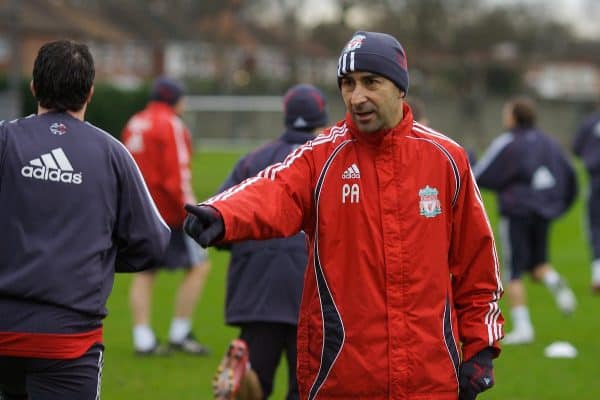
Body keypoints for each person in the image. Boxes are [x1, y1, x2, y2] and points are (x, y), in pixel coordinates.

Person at [185, 31, 503, 400]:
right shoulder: (321, 158)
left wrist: (481, 350)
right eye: (347, 84)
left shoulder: (447, 159)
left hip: (429, 382)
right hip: (341, 379)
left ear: (400, 87)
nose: (357, 97)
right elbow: (275, 189)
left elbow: (478, 265)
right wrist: (223, 213)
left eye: (371, 82)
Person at [0, 40, 170, 399]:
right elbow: (154, 242)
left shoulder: (4, 139)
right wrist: (97, 259)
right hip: (68, 340)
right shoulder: (112, 154)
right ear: (90, 92)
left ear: (34, 87)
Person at [212, 84, 329, 400]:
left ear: (286, 115)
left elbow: (218, 220)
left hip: (257, 293)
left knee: (252, 387)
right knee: (307, 389)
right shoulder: (333, 163)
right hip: (313, 296)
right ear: (323, 116)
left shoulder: (253, 161)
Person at [474, 96, 577, 345]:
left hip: (517, 212)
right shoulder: (549, 142)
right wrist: (558, 206)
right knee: (539, 263)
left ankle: (523, 328)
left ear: (513, 117)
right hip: (543, 212)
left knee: (514, 272)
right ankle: (554, 281)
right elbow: (570, 174)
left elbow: (481, 174)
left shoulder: (507, 141)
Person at [121, 77, 211, 356]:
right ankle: (180, 332)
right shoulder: (170, 124)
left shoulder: (135, 121)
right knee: (200, 266)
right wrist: (194, 211)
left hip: (140, 211)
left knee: (145, 273)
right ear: (175, 99)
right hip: (170, 213)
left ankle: (143, 337)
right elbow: (177, 174)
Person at [572, 100, 600, 292]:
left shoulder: (590, 123)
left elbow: (576, 148)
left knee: (595, 226)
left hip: (596, 180)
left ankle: (598, 273)